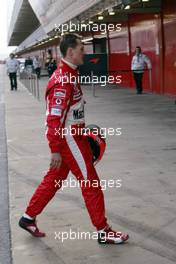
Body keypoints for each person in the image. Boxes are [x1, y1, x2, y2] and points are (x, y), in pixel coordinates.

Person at [18, 33, 129, 244]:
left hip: (73, 136)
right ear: (70, 51)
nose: (84, 54)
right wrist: (55, 149)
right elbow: (54, 119)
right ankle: (103, 231)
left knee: (54, 180)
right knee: (91, 183)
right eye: (81, 49)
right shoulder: (63, 80)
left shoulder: (70, 74)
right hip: (68, 139)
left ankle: (27, 217)